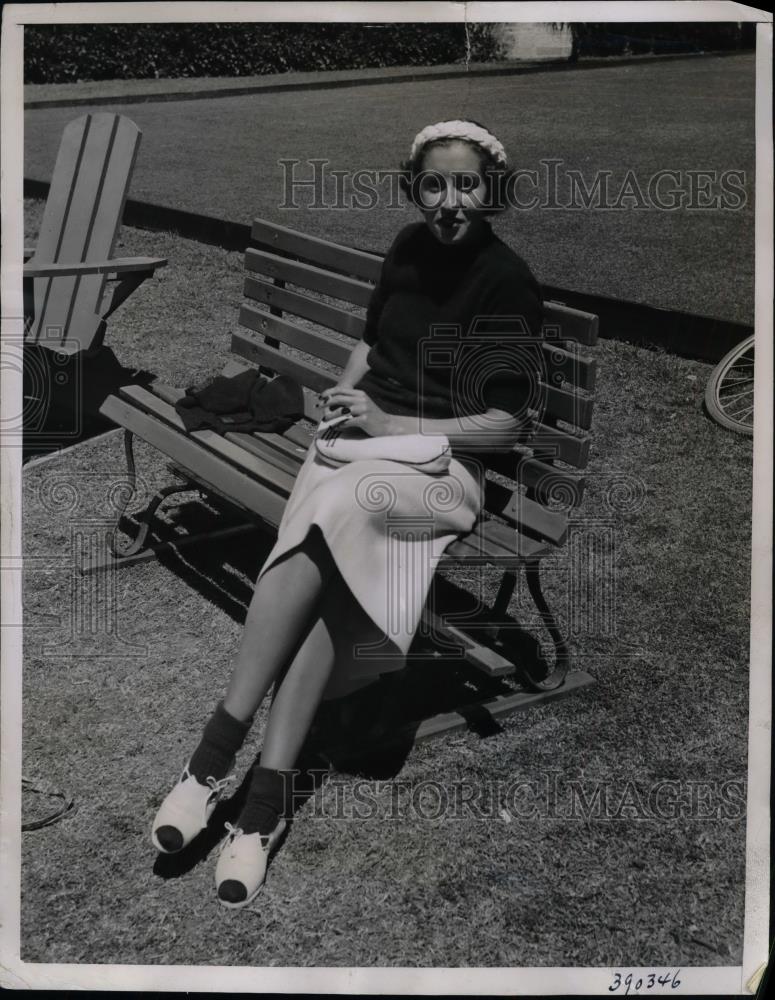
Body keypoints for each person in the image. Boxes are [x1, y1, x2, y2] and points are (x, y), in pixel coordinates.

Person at [150, 119, 545, 909]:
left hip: (444, 471)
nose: (448, 201)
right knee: (325, 565)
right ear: (414, 189)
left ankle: (212, 764)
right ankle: (252, 799)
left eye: (466, 183)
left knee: (329, 505)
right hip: (366, 450)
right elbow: (370, 346)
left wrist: (392, 426)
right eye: (433, 184)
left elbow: (506, 426)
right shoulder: (405, 248)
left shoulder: (505, 280)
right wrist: (344, 394)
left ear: (491, 189)